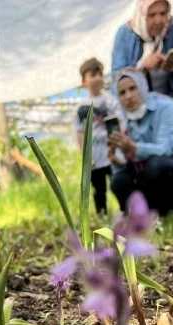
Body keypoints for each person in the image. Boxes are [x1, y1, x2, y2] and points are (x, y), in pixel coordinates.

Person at [107, 68, 173, 215]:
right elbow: (126, 166)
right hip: (148, 177)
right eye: (122, 93)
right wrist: (117, 161)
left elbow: (165, 150)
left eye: (133, 88)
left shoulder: (165, 107)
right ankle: (140, 216)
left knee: (155, 165)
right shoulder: (124, 118)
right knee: (119, 180)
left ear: (142, 87)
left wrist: (133, 147)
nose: (128, 96)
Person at [111, 0, 173, 104]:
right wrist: (143, 68)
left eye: (163, 13)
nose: (158, 21)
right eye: (152, 15)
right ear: (142, 15)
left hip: (171, 99)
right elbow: (116, 75)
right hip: (139, 104)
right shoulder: (125, 34)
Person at [72, 58, 124, 214]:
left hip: (112, 150)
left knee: (118, 181)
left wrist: (116, 147)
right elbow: (79, 131)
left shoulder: (111, 101)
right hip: (94, 154)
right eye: (92, 75)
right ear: (83, 81)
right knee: (98, 187)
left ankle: (125, 210)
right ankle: (102, 214)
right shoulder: (81, 107)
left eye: (99, 74)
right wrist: (86, 156)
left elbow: (119, 123)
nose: (97, 78)